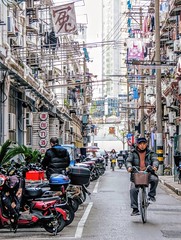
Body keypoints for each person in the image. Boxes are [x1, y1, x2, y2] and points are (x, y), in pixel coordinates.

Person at [125, 137, 159, 216]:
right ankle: (135, 209)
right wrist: (129, 167)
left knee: (155, 179)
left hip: (148, 173)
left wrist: (155, 166)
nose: (142, 145)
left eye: (144, 143)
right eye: (140, 144)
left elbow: (155, 160)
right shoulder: (133, 153)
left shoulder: (151, 153)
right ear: (137, 144)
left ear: (146, 144)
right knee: (133, 190)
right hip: (136, 174)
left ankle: (151, 196)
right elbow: (128, 161)